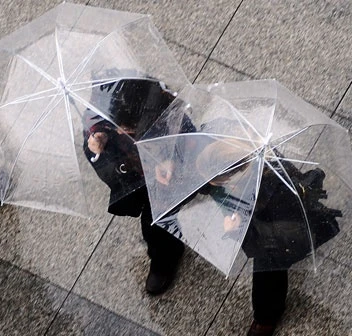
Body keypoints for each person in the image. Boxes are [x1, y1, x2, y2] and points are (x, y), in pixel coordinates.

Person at [193, 134, 341, 336]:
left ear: (233, 178)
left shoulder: (276, 194)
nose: (213, 187)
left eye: (217, 182)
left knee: (268, 270)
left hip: (286, 233)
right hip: (264, 211)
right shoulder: (244, 154)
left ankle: (266, 318)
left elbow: (267, 243)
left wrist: (236, 230)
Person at [83, 76, 191, 295]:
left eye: (127, 128)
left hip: (170, 181)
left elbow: (192, 146)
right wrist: (99, 153)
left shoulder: (171, 118)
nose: (121, 132)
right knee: (153, 224)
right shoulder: (103, 124)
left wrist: (170, 160)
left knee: (159, 220)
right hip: (138, 184)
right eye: (119, 127)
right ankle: (164, 256)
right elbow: (107, 173)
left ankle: (166, 255)